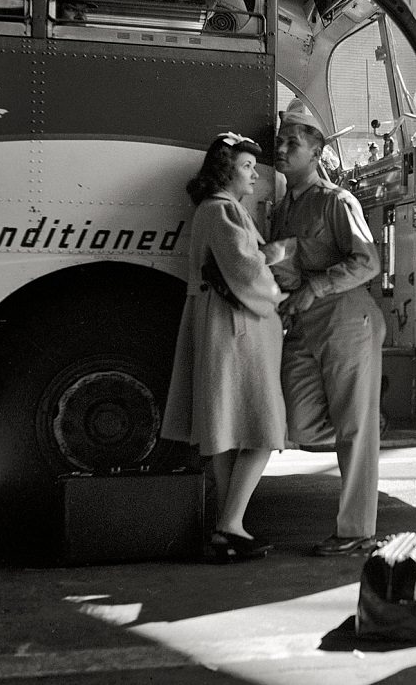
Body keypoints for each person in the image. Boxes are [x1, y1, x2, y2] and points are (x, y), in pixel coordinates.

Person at [161, 132, 289, 563]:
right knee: (263, 429)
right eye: (247, 166)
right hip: (238, 331)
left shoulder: (210, 210)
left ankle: (227, 527)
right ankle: (229, 525)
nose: (254, 173)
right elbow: (247, 270)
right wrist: (277, 265)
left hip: (220, 325)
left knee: (226, 429)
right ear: (225, 169)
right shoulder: (223, 211)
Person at [270, 110, 385, 556]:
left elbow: (368, 262)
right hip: (302, 324)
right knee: (296, 422)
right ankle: (365, 422)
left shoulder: (337, 201)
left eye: (292, 144)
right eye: (279, 142)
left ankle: (357, 530)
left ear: (316, 153)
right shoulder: (283, 210)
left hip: (346, 319)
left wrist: (316, 286)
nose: (281, 149)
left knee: (355, 429)